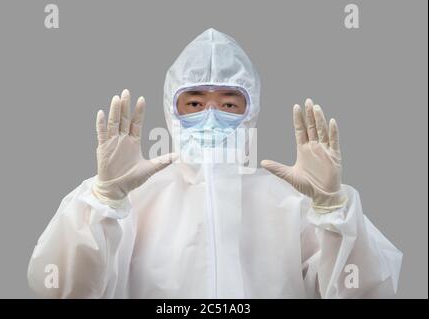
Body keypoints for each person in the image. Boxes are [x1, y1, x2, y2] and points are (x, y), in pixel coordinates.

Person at [27, 28, 402, 298]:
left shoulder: (291, 202)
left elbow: (367, 293)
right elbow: (60, 291)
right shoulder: (129, 201)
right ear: (170, 111)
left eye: (228, 103)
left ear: (250, 110)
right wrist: (103, 200)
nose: (210, 116)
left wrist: (333, 209)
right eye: (193, 103)